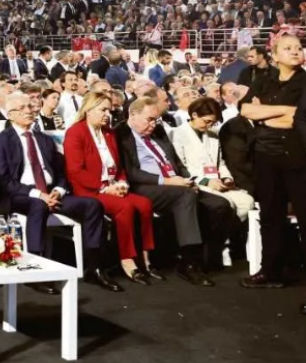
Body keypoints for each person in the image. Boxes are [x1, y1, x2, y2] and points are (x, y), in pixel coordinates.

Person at [0, 92, 109, 294]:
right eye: (23, 108)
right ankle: (34, 269)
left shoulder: (44, 139)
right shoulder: (0, 141)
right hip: (21, 196)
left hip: (51, 194)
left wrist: (58, 191)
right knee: (38, 205)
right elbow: (4, 181)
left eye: (30, 106)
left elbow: (61, 173)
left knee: (92, 205)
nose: (29, 111)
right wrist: (39, 195)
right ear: (10, 115)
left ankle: (94, 267)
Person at [116, 97, 236, 287]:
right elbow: (131, 172)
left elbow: (176, 162)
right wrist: (168, 181)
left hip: (176, 182)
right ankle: (189, 262)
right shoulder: (119, 133)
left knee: (220, 205)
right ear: (133, 114)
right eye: (150, 119)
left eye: (156, 119)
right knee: (186, 196)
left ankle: (203, 257)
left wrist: (190, 180)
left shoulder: (157, 130)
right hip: (146, 186)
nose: (154, 124)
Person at [63, 92, 155, 288]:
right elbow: (75, 171)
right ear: (88, 110)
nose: (108, 114)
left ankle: (145, 255)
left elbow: (118, 166)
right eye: (103, 110)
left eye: (110, 110)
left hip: (112, 186)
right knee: (124, 207)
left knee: (144, 204)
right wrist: (104, 188)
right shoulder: (75, 132)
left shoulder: (109, 133)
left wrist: (122, 183)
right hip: (89, 191)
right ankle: (127, 259)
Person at [239, 34, 306, 291]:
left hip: (298, 157)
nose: (296, 51)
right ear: (275, 56)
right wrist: (285, 111)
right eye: (288, 48)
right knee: (269, 215)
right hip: (265, 157)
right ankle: (270, 271)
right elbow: (246, 110)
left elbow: (298, 120)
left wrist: (264, 114)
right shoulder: (264, 80)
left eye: (299, 47)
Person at [172, 97, 255, 222]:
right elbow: (181, 167)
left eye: (213, 122)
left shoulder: (213, 134)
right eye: (207, 121)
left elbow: (220, 162)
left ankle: (229, 231)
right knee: (227, 203)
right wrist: (206, 181)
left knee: (247, 202)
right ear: (194, 115)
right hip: (196, 183)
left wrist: (226, 178)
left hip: (217, 182)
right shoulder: (177, 134)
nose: (209, 125)